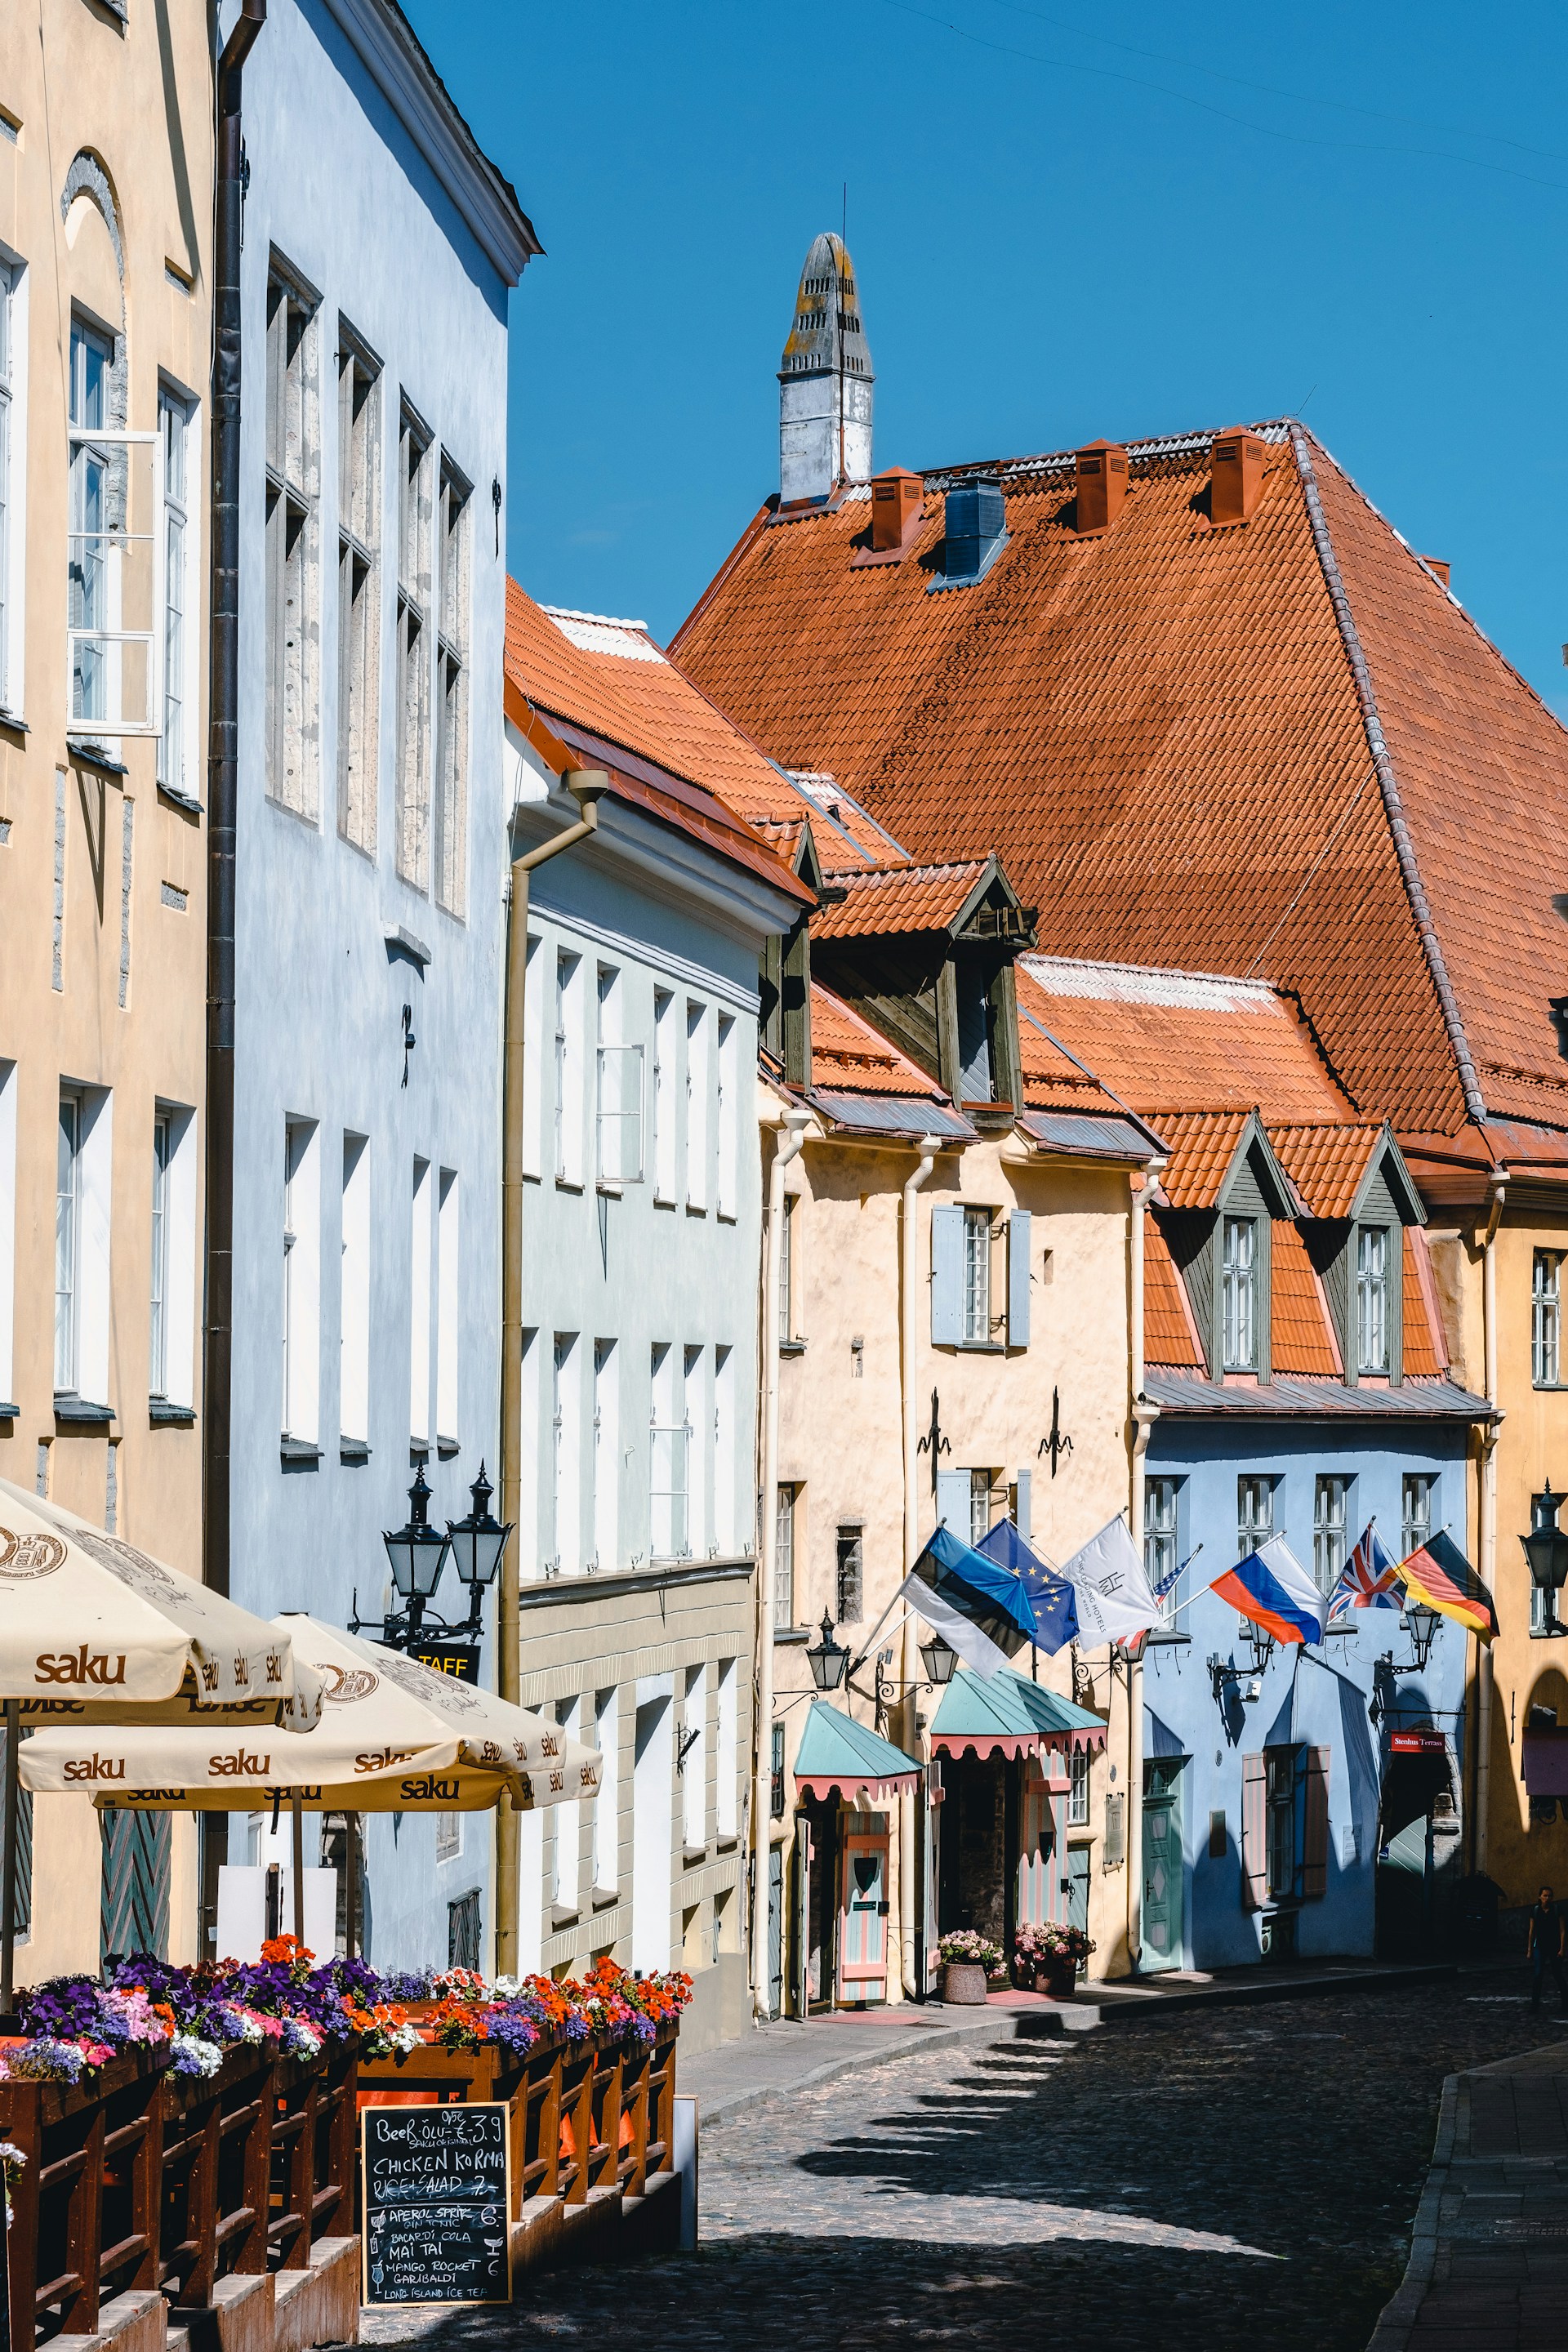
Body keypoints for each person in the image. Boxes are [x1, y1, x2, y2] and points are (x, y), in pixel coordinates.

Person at [1526, 1886, 1567, 2010]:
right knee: (1538, 1975)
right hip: (1540, 1946)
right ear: (1540, 1897)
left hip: (1554, 1947)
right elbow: (1532, 1931)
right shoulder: (1535, 1911)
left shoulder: (1557, 1910)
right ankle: (1535, 2005)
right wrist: (1529, 1950)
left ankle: (1565, 2004)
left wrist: (1562, 1948)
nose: (1547, 1898)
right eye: (1545, 1895)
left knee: (1557, 1974)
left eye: (1549, 1896)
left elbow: (1562, 1930)